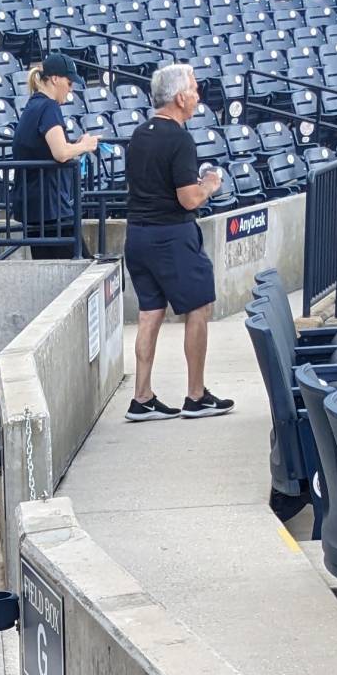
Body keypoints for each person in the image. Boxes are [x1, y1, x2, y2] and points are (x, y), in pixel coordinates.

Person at [120, 63, 232, 421]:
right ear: (180, 97)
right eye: (194, 89)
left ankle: (142, 397)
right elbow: (188, 199)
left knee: (149, 314)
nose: (198, 95)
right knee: (198, 307)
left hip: (137, 234)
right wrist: (210, 184)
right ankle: (196, 395)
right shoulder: (180, 138)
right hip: (171, 235)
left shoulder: (139, 134)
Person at [12, 55, 100, 260]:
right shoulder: (48, 107)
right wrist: (85, 146)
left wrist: (75, 147)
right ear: (54, 79)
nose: (70, 89)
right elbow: (60, 153)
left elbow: (49, 148)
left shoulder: (33, 105)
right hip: (51, 209)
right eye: (69, 83)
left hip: (37, 207)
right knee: (82, 268)